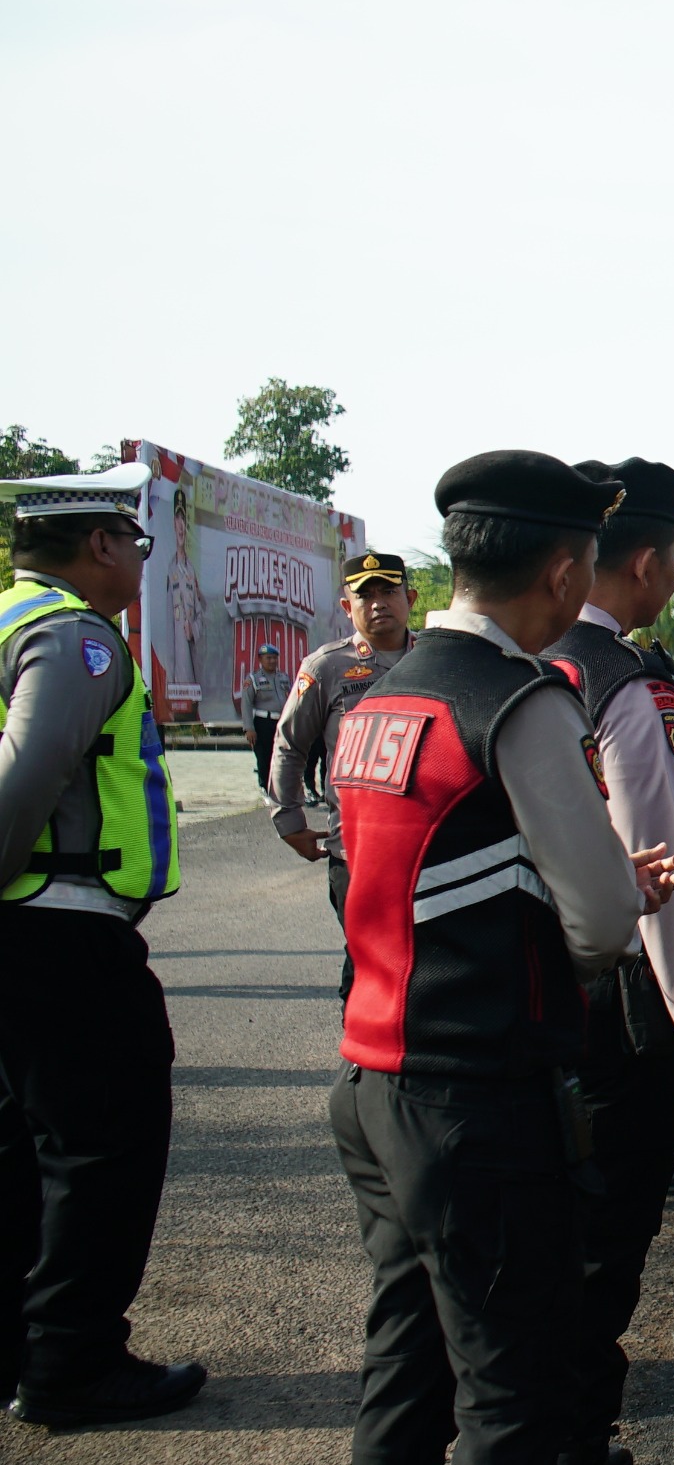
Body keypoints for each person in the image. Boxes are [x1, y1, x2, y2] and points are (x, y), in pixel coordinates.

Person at [329, 451, 674, 1464]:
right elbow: (602, 925)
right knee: (513, 1397)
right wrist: (618, 892)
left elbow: (425, 874)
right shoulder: (518, 703)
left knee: (406, 1369)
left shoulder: (384, 693)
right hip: (478, 1101)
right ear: (567, 574)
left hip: (373, 1078)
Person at [543, 457, 674, 1465]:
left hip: (511, 999)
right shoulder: (623, 681)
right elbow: (670, 878)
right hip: (618, 1008)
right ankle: (573, 1436)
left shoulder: (511, 665)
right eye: (673, 558)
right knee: (603, 1246)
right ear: (644, 560)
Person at [0, 463, 202, 1430]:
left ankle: (32, 1346)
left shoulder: (3, 619)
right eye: (136, 544)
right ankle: (75, 1361)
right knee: (101, 1147)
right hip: (60, 929)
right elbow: (29, 771)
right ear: (99, 546)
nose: (138, 561)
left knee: (23, 1143)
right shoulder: (75, 638)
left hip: (26, 933)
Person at [269, 551, 417, 982]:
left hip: (430, 847)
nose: (378, 603)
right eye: (364, 595)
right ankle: (361, 1049)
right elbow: (290, 744)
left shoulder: (440, 659)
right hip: (356, 852)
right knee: (369, 967)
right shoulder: (327, 667)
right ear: (346, 607)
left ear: (409, 596)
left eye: (388, 591)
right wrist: (290, 819)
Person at [236, 642, 290, 795]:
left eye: (274, 658)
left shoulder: (283, 677)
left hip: (281, 722)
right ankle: (264, 788)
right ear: (260, 660)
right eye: (268, 658)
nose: (272, 661)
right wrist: (249, 728)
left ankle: (279, 788)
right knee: (264, 757)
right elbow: (246, 704)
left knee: (281, 756)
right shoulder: (253, 678)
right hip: (263, 722)